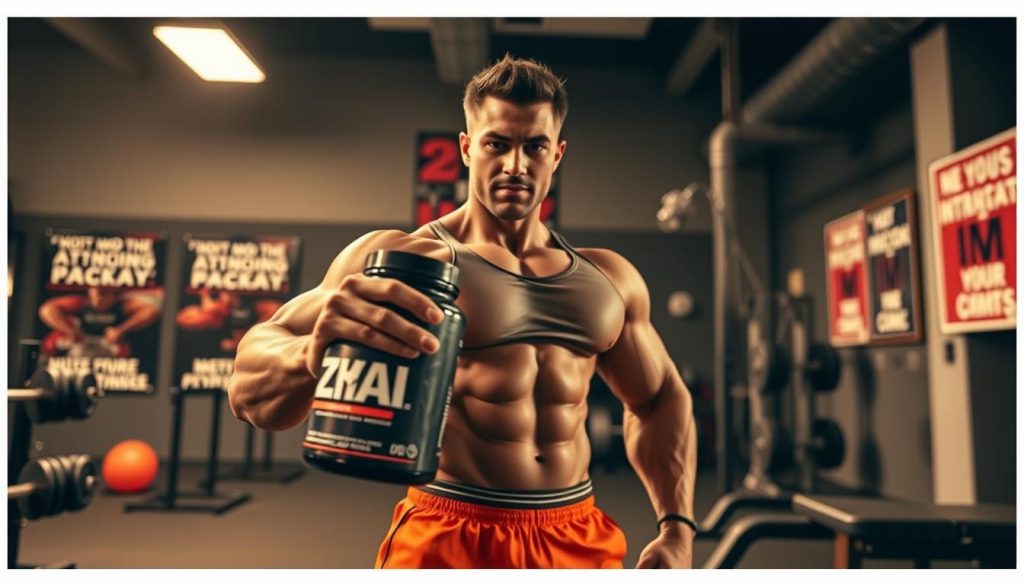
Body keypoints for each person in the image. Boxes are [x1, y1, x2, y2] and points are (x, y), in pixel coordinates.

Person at [228, 55, 697, 569]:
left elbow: (659, 398)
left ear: (557, 154)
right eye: (497, 144)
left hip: (576, 532)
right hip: (452, 528)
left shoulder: (608, 278)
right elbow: (246, 389)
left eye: (534, 146)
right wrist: (310, 352)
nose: (515, 165)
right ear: (467, 147)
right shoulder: (405, 258)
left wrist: (677, 527)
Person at [39, 286, 161, 358]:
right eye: (95, 294)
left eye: (103, 294)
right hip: (81, 341)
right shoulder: (81, 303)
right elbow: (47, 310)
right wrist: (69, 330)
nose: (98, 299)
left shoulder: (121, 305)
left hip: (110, 344)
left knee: (126, 350)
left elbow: (151, 311)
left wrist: (121, 330)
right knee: (51, 342)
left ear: (112, 294)